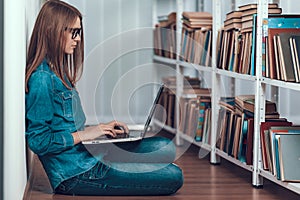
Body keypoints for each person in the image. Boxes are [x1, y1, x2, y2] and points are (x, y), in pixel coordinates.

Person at [25, 0, 183, 196]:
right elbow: (38, 141)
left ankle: (117, 161)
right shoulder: (42, 79)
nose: (78, 39)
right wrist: (87, 134)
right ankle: (120, 166)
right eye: (73, 32)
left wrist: (100, 131)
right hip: (76, 173)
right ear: (52, 30)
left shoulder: (59, 71)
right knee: (174, 175)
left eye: (79, 32)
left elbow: (68, 127)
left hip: (88, 154)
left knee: (165, 147)